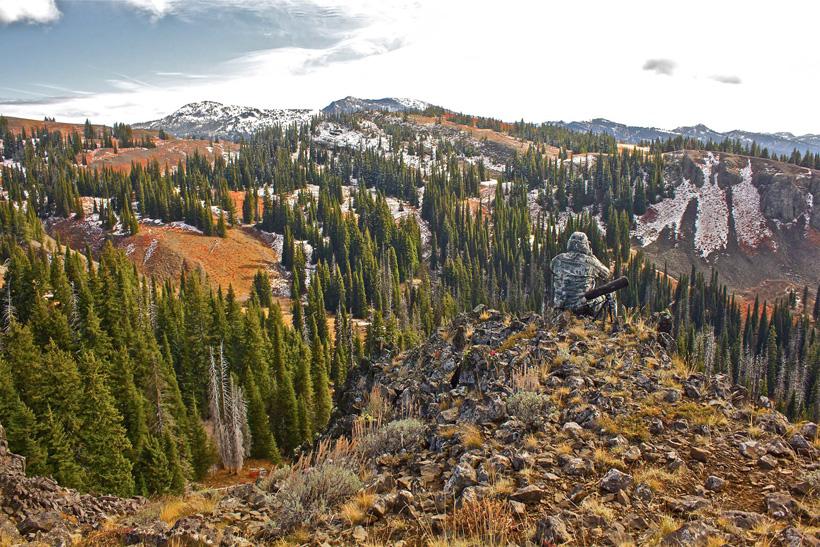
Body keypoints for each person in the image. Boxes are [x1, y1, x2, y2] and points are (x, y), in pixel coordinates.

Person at [550, 231, 611, 315]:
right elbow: (606, 274)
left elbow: (552, 268)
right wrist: (591, 255)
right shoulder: (590, 261)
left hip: (560, 306)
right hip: (581, 308)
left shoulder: (557, 259)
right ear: (585, 245)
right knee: (611, 293)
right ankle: (611, 321)